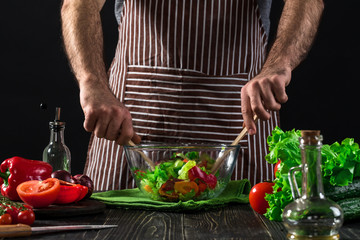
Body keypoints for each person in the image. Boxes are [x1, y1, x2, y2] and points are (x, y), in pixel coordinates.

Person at [61, 0, 324, 190]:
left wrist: (278, 65)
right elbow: (79, 4)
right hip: (133, 120)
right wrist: (92, 82)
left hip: (238, 121)